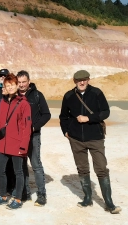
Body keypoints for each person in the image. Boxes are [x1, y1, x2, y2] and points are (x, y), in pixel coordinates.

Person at [59, 70, 121, 214]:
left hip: (95, 137)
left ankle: (109, 202)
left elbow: (106, 112)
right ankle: (87, 198)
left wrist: (89, 118)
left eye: (85, 80)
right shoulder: (69, 96)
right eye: (79, 80)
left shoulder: (97, 93)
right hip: (76, 139)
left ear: (88, 80)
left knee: (101, 168)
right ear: (74, 81)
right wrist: (66, 131)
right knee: (82, 168)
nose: (82, 82)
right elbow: (63, 116)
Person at [0, 73, 32, 210]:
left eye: (12, 85)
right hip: (3, 143)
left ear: (17, 85)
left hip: (17, 144)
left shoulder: (24, 104)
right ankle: (3, 196)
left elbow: (27, 128)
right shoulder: (2, 102)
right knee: (0, 170)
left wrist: (23, 146)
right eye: (7, 86)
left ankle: (18, 199)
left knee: (18, 172)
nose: (10, 87)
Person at [17, 70, 51, 206]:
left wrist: (34, 127)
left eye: (24, 82)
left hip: (33, 136)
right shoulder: (14, 96)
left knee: (36, 164)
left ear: (29, 82)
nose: (21, 85)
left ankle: (42, 194)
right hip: (18, 137)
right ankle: (25, 192)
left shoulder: (37, 95)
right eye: (19, 82)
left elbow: (46, 114)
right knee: (22, 165)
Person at [0, 68, 16, 195]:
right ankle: (4, 189)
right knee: (0, 162)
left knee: (11, 162)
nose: (2, 77)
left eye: (5, 76)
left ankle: (12, 187)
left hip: (11, 134)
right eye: (1, 75)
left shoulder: (14, 95)